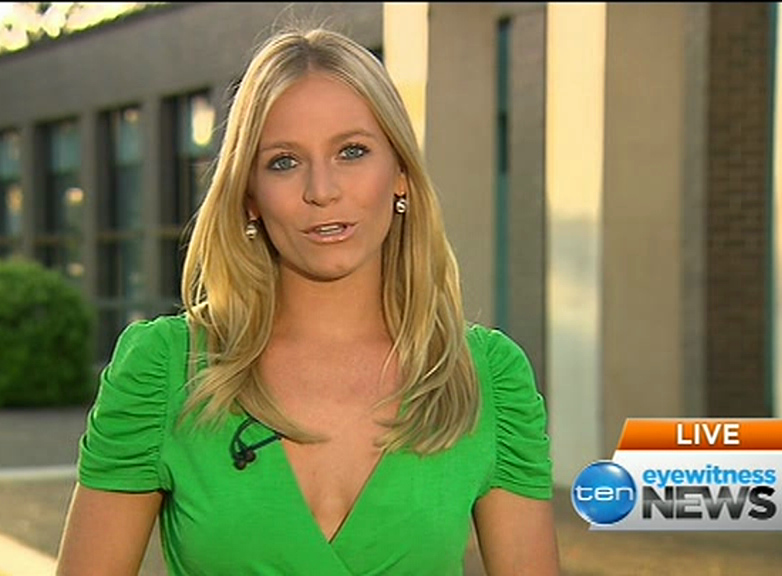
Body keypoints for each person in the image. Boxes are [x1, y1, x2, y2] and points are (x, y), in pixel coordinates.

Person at [56, 24, 559, 576]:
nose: (322, 190)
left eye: (352, 151)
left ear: (400, 175)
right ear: (249, 196)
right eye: (284, 162)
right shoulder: (164, 372)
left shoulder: (485, 379)